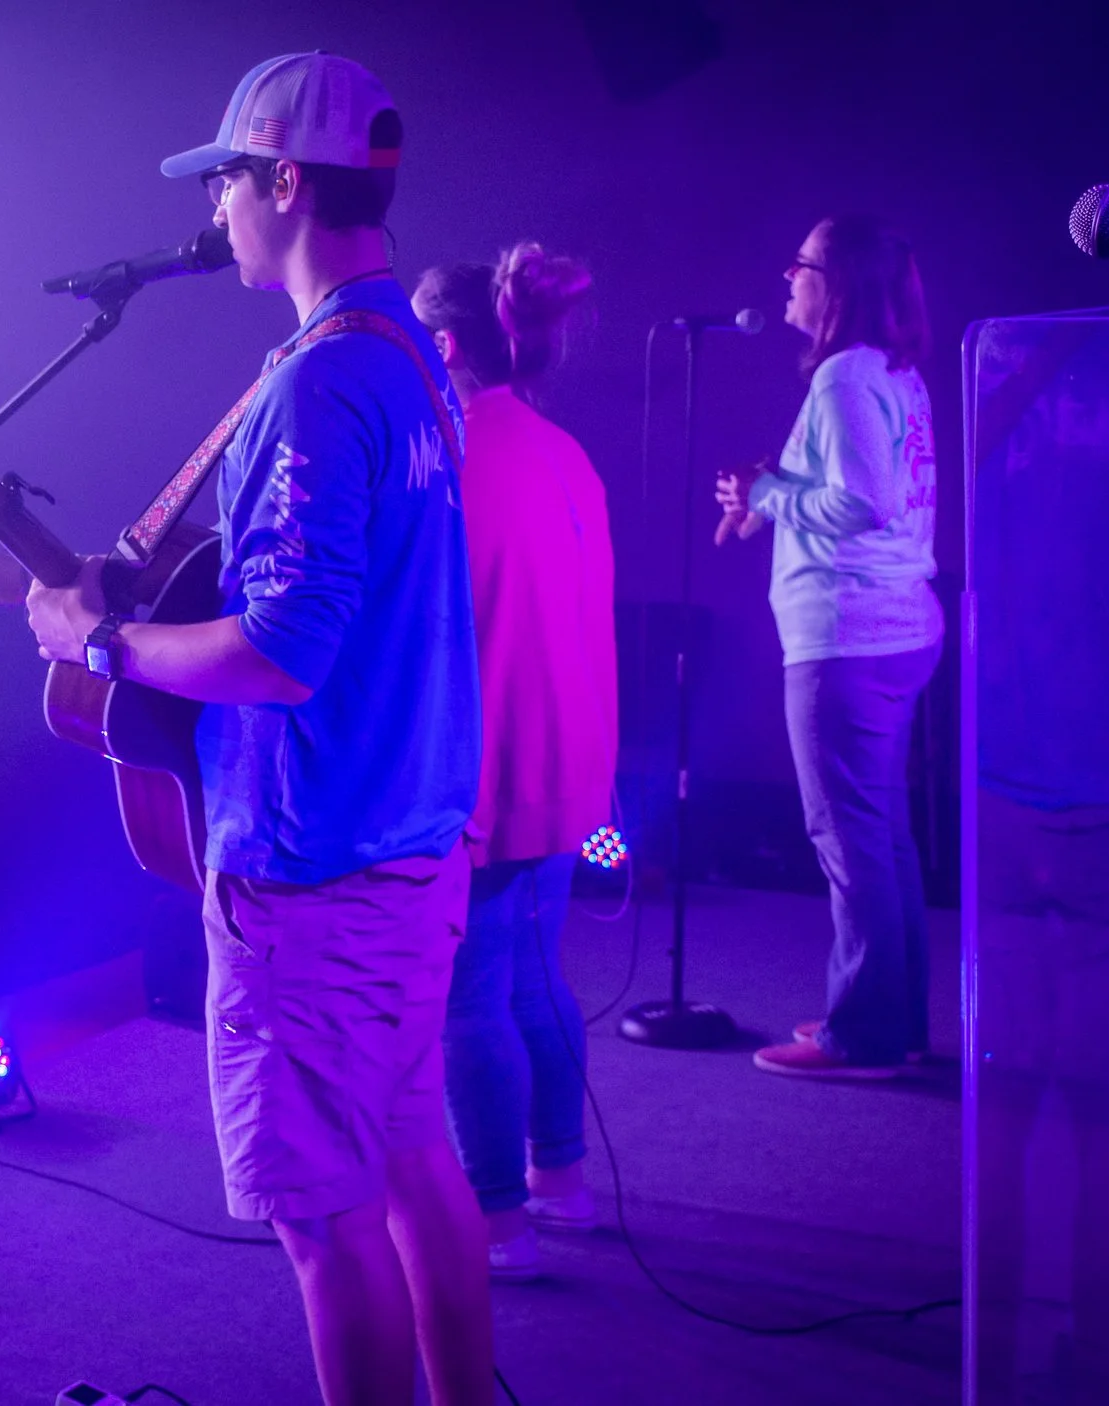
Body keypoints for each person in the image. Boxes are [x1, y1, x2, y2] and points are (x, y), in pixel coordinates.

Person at [0, 51, 494, 1406]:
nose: (222, 210)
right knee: (418, 1161)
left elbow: (284, 652)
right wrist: (47, 593)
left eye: (231, 180)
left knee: (325, 1220)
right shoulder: (403, 355)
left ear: (284, 183)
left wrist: (102, 642)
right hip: (412, 853)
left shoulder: (313, 387)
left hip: (313, 878)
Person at [410, 245, 613, 1279]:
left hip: (486, 772)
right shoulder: (562, 448)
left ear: (442, 344)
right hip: (566, 763)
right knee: (539, 979)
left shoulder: (447, 457)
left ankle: (495, 1220)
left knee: (469, 1000)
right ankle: (562, 1183)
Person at [716, 214, 941, 1079]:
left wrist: (773, 492)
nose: (788, 275)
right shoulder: (890, 373)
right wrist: (775, 491)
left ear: (838, 284)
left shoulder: (847, 376)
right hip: (892, 631)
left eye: (802, 263)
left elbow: (862, 505)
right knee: (880, 837)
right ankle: (893, 1020)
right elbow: (860, 491)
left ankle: (864, 1036)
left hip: (847, 640)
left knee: (849, 840)